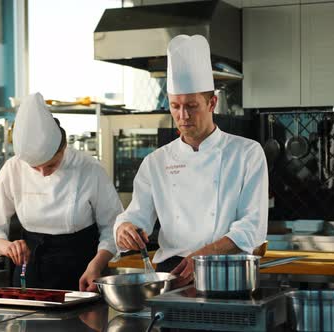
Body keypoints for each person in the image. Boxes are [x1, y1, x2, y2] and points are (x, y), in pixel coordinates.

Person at [114, 35, 268, 287]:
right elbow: (135, 215)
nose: (183, 116)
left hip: (225, 270)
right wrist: (125, 230)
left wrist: (205, 255)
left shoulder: (247, 153)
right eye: (175, 106)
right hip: (171, 273)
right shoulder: (156, 162)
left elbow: (253, 226)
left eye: (192, 106)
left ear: (212, 103)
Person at [0, 92, 123, 291]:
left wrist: (97, 264)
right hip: (30, 272)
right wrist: (6, 246)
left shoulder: (89, 168)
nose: (43, 174)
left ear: (63, 147)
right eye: (35, 168)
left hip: (84, 272)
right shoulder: (13, 168)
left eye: (51, 165)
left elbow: (113, 227)